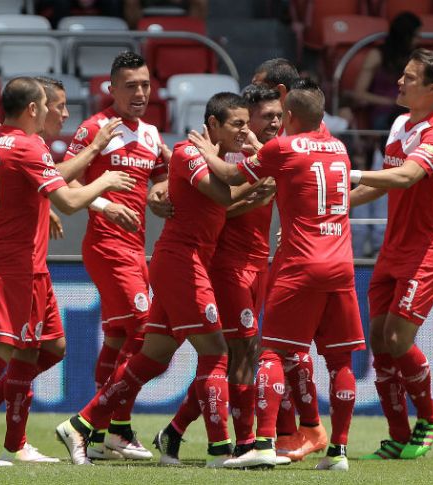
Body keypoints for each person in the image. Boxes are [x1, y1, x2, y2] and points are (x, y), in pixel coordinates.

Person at [55, 92, 259, 468]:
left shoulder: (209, 156)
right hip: (182, 262)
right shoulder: (188, 152)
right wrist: (266, 171)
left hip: (183, 261)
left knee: (153, 358)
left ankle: (81, 425)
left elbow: (182, 191)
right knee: (215, 353)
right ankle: (220, 451)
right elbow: (224, 196)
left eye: (247, 123)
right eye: (238, 124)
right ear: (213, 125)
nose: (245, 131)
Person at [0, 76, 135, 466]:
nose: (60, 113)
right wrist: (104, 180)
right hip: (8, 264)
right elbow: (67, 201)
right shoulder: (29, 146)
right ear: (34, 108)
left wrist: (36, 200)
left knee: (51, 347)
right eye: (54, 106)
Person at [187, 81, 365, 471]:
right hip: (342, 263)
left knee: (271, 353)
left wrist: (204, 152)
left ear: (289, 117)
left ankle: (264, 443)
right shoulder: (339, 148)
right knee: (340, 362)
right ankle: (339, 452)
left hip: (300, 263)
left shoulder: (284, 148)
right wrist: (257, 145)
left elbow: (232, 176)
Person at [152, 85, 282, 465]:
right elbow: (206, 198)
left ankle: (174, 432)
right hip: (225, 262)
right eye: (264, 117)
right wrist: (155, 194)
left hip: (260, 262)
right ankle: (244, 444)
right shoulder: (229, 154)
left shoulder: (270, 152)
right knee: (235, 351)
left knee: (236, 353)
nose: (272, 122)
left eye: (278, 116)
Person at [57, 51, 172, 461]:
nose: (140, 92)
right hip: (106, 246)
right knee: (144, 330)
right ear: (112, 89)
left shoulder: (152, 135)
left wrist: (160, 193)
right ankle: (108, 426)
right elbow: (62, 178)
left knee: (121, 336)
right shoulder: (94, 129)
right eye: (131, 86)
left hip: (135, 247)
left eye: (145, 84)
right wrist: (103, 201)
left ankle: (107, 433)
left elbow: (161, 177)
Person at [349, 48, 433, 460]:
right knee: (379, 341)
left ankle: (430, 418)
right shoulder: (400, 123)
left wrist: (350, 172)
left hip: (430, 249)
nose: (399, 81)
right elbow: (385, 184)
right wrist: (339, 201)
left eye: (410, 78)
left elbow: (407, 175)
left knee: (398, 337)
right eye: (402, 74)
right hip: (393, 248)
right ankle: (398, 434)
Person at [250, 59, 331, 462]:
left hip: (297, 254)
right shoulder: (288, 133)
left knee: (282, 346)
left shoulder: (293, 136)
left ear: (281, 98)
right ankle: (294, 432)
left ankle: (297, 432)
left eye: (259, 88)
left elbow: (256, 180)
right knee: (287, 348)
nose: (253, 96)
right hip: (292, 250)